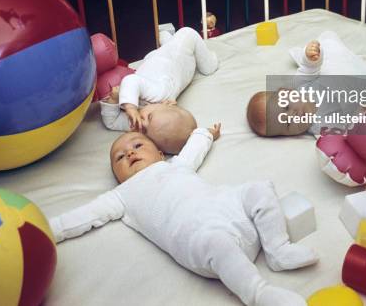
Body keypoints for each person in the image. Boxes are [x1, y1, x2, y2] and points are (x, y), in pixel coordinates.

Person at [50, 126, 318, 306]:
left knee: (258, 189)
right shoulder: (122, 195)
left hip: (231, 208)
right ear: (117, 176)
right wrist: (48, 230)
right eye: (120, 157)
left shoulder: (176, 164)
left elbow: (194, 148)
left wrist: (205, 133)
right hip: (204, 239)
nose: (130, 153)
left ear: (159, 153)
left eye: (137, 145)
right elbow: (85, 216)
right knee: (217, 243)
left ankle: (278, 248)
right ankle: (258, 293)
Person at [99, 27, 218, 153]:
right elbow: (131, 80)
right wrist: (130, 108)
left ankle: (166, 36)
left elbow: (111, 123)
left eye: (144, 131)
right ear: (168, 103)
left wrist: (112, 101)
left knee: (162, 49)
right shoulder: (160, 94)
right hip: (179, 56)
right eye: (149, 117)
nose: (142, 123)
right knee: (187, 33)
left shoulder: (139, 125)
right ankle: (209, 62)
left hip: (154, 59)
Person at [246, 31, 366, 137]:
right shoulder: (321, 129)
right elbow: (345, 132)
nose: (294, 115)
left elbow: (309, 68)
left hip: (338, 69)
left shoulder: (302, 85)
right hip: (361, 83)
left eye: (286, 107)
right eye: (288, 124)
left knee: (330, 57)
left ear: (286, 91)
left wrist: (310, 57)